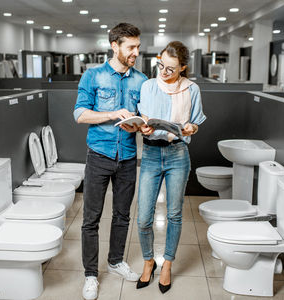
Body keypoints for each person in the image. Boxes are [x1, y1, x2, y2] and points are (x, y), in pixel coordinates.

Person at [73, 22, 148, 300]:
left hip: (128, 158)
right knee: (90, 219)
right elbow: (80, 114)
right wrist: (112, 114)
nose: (136, 52)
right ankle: (91, 275)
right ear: (115, 46)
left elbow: (143, 119)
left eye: (138, 47)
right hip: (99, 157)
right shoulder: (93, 76)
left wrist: (139, 126)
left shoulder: (141, 80)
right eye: (131, 47)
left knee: (122, 215)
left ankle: (115, 262)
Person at [136, 41, 206, 294]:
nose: (163, 72)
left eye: (171, 69)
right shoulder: (148, 86)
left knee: (174, 215)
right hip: (152, 154)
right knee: (144, 217)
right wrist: (143, 126)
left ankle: (166, 266)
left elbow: (196, 122)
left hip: (178, 154)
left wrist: (191, 128)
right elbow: (144, 118)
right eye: (161, 65)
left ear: (183, 68)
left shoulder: (192, 89)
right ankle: (148, 262)